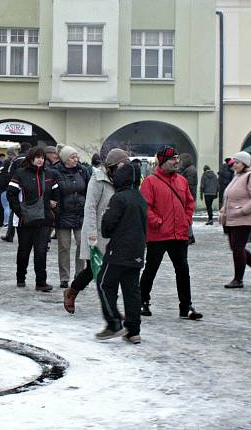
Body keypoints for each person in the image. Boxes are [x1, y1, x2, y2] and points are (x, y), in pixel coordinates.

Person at [139, 145, 202, 320]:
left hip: (179, 234)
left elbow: (190, 203)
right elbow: (145, 207)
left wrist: (186, 220)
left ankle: (186, 306)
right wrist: (157, 222)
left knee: (183, 271)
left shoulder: (181, 181)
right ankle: (142, 301)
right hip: (158, 235)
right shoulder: (150, 182)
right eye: (173, 159)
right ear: (163, 162)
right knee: (151, 269)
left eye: (177, 158)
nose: (176, 161)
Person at [64, 148, 128, 314]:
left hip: (114, 233)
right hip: (98, 232)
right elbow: (90, 208)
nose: (124, 169)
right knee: (94, 270)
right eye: (122, 165)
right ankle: (72, 292)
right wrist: (92, 236)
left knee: (113, 271)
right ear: (113, 165)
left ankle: (112, 308)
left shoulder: (121, 181)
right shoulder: (98, 178)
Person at [95, 163, 146, 343]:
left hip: (118, 251)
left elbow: (107, 227)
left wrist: (104, 222)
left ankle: (114, 323)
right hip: (137, 250)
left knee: (104, 283)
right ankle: (133, 331)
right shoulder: (140, 197)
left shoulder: (119, 198)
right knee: (131, 289)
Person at [6, 146, 59, 292]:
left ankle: (41, 282)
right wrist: (20, 212)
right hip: (26, 220)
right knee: (24, 250)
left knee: (41, 251)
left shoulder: (50, 174)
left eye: (42, 157)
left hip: (44, 219)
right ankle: (20, 277)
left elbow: (56, 193)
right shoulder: (20, 173)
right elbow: (11, 194)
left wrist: (53, 206)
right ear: (31, 158)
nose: (40, 159)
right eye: (37, 157)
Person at [218, 151, 251, 288]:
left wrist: (243, 211)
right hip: (233, 217)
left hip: (244, 218)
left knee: (238, 248)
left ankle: (238, 279)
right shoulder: (238, 175)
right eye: (235, 163)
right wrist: (224, 210)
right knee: (236, 247)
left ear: (245, 163)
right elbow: (229, 195)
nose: (234, 165)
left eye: (237, 163)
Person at [55, 146, 89, 288]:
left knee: (82, 245)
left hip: (80, 214)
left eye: (76, 157)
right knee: (64, 246)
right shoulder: (56, 172)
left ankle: (79, 275)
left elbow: (88, 190)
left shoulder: (83, 171)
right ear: (65, 159)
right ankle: (64, 277)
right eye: (72, 157)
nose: (76, 159)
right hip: (63, 214)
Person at [1, 142, 32, 243]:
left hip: (17, 188)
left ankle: (10, 235)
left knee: (14, 211)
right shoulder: (32, 159)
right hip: (32, 189)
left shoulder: (15, 160)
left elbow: (9, 174)